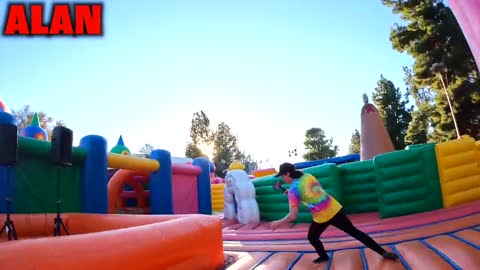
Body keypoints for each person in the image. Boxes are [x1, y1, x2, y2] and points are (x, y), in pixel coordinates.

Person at [270, 162, 398, 264]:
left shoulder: (293, 191)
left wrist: (278, 222)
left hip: (322, 216)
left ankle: (324, 256)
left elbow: (293, 215)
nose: (282, 178)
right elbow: (313, 192)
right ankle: (383, 252)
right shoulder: (307, 176)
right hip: (333, 208)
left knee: (312, 238)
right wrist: (292, 195)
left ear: (287, 173)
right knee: (355, 232)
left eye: (282, 175)